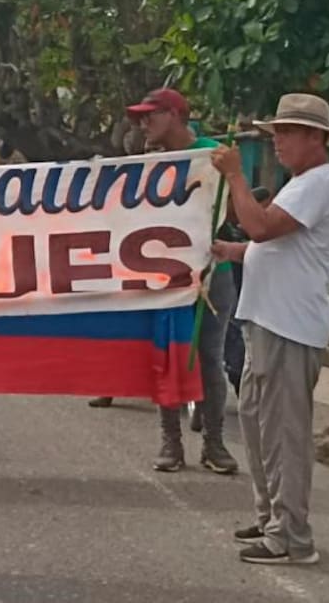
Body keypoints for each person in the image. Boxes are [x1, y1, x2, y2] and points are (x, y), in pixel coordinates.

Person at [210, 93, 329, 565]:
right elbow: (272, 245)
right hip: (268, 319)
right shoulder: (301, 183)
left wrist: (235, 176)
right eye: (277, 132)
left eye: (287, 132)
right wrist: (230, 252)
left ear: (315, 137)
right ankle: (272, 516)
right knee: (257, 425)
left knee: (283, 433)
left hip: (289, 325)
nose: (277, 141)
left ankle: (291, 537)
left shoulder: (321, 182)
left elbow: (261, 228)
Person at [89, 89, 239, 475]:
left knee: (210, 358)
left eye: (149, 115)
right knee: (167, 355)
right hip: (163, 277)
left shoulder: (213, 155)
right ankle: (171, 442)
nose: (143, 124)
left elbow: (233, 207)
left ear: (173, 114)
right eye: (139, 118)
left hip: (212, 274)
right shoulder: (148, 165)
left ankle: (214, 443)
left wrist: (232, 174)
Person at [218, 187, 274, 401]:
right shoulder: (221, 227)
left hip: (242, 295)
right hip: (228, 293)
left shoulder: (239, 230)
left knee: (236, 339)